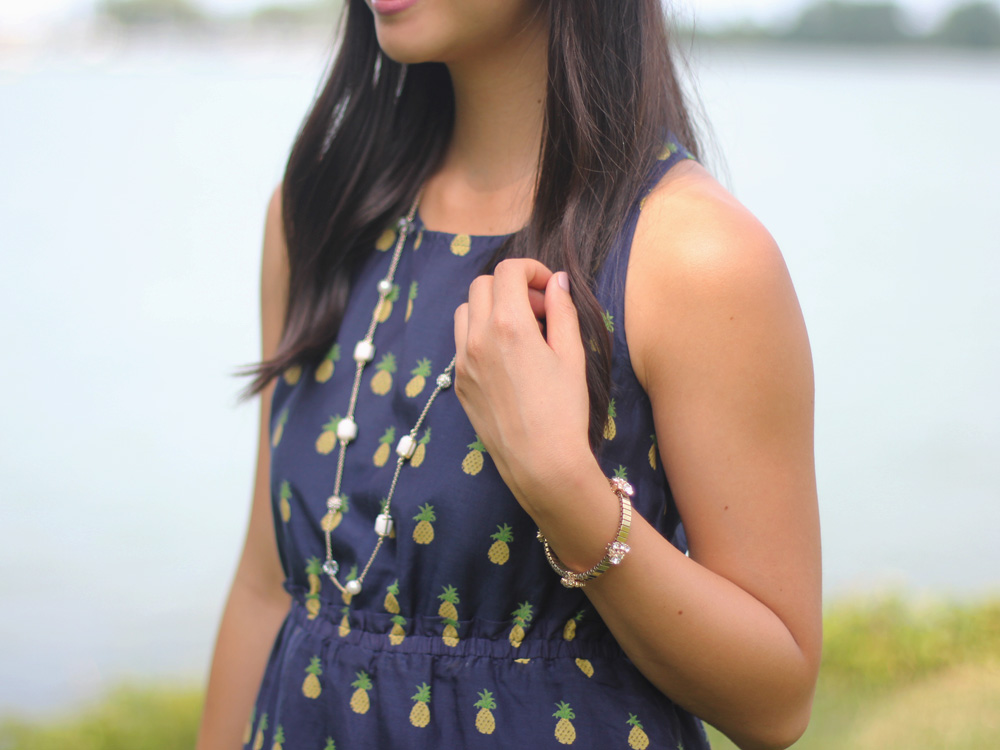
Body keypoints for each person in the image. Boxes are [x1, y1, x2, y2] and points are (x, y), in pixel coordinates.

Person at [196, 0, 822, 747]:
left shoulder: (694, 255)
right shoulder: (321, 213)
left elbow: (775, 703)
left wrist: (564, 489)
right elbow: (266, 587)